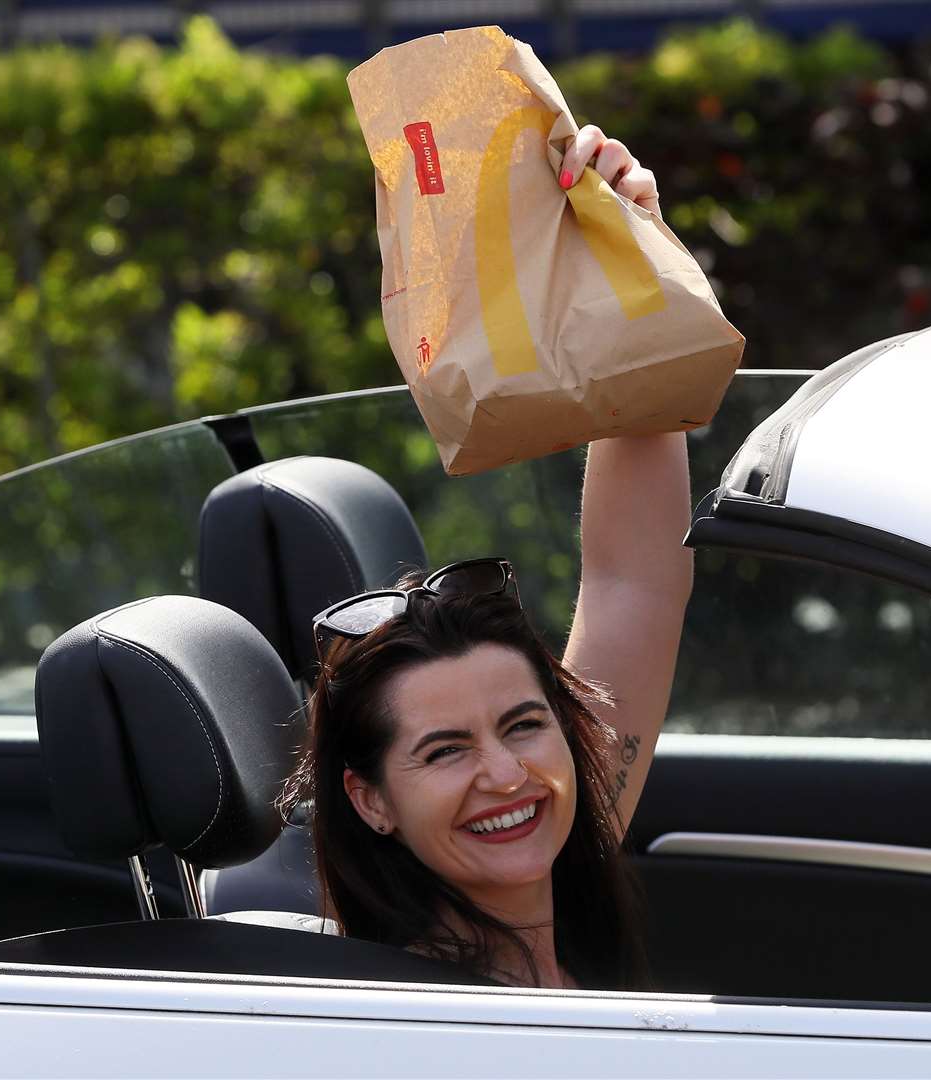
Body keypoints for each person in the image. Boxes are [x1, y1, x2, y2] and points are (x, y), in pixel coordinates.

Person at [275, 128, 686, 991]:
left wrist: (628, 246)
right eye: (443, 751)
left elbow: (635, 581)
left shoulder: (567, 852)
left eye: (524, 724)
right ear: (369, 800)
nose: (506, 774)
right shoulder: (401, 1018)